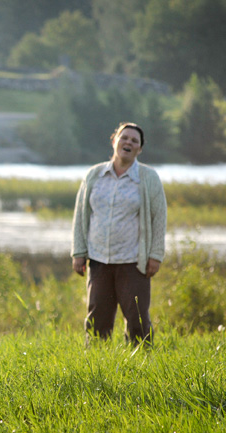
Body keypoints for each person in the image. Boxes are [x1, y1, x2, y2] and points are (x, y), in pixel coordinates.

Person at [71, 122, 166, 345]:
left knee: (137, 318)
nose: (128, 143)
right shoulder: (94, 175)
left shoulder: (148, 178)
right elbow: (81, 214)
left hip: (133, 261)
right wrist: (78, 253)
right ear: (114, 141)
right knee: (97, 317)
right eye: (124, 138)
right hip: (98, 259)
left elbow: (159, 219)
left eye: (134, 141)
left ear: (139, 149)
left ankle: (141, 361)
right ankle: (94, 364)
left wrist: (155, 255)